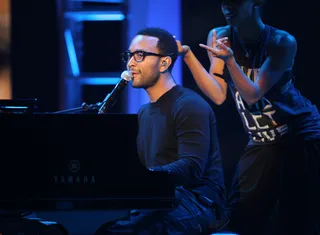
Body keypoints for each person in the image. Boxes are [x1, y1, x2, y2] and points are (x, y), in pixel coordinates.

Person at [175, 0, 320, 234]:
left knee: (297, 221)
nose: (227, 7)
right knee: (239, 217)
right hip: (262, 142)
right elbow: (218, 94)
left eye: (235, 1)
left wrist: (230, 61)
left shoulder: (281, 42)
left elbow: (252, 94)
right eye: (224, 2)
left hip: (299, 138)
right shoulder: (219, 35)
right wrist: (189, 56)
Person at [99, 27, 228, 235]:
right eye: (129, 55)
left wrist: (141, 177)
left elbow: (191, 168)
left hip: (198, 201)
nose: (131, 63)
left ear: (164, 63)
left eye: (140, 55)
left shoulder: (189, 104)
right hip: (161, 197)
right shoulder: (144, 113)